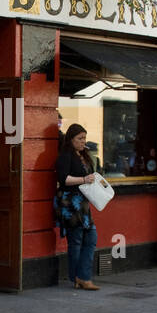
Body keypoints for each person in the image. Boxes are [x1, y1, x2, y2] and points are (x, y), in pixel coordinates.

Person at [56, 124, 100, 290]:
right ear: (71, 139)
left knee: (91, 238)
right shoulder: (65, 156)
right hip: (70, 203)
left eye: (84, 138)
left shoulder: (84, 155)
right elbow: (63, 178)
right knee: (75, 241)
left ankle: (81, 276)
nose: (83, 142)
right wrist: (83, 179)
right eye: (79, 139)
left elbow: (92, 173)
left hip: (83, 203)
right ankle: (79, 278)